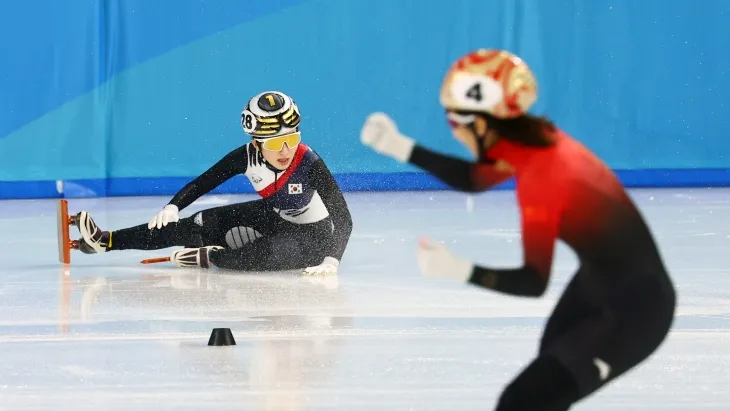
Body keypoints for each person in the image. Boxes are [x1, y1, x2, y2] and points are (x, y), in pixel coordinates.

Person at [360, 49, 676, 410]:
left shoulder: (544, 177)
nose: (453, 132)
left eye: (453, 122)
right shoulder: (530, 141)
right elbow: (474, 178)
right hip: (602, 284)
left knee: (523, 401)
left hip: (635, 311)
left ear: (481, 123)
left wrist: (457, 269)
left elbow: (533, 281)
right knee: (543, 389)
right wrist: (398, 146)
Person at [73, 91, 352, 276]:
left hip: (313, 238)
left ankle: (213, 257)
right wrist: (173, 207)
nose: (286, 151)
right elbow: (203, 183)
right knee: (197, 224)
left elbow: (343, 219)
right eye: (277, 143)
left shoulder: (309, 161)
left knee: (256, 257)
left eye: (292, 139)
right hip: (275, 217)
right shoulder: (245, 157)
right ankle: (106, 241)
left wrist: (331, 259)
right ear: (256, 142)